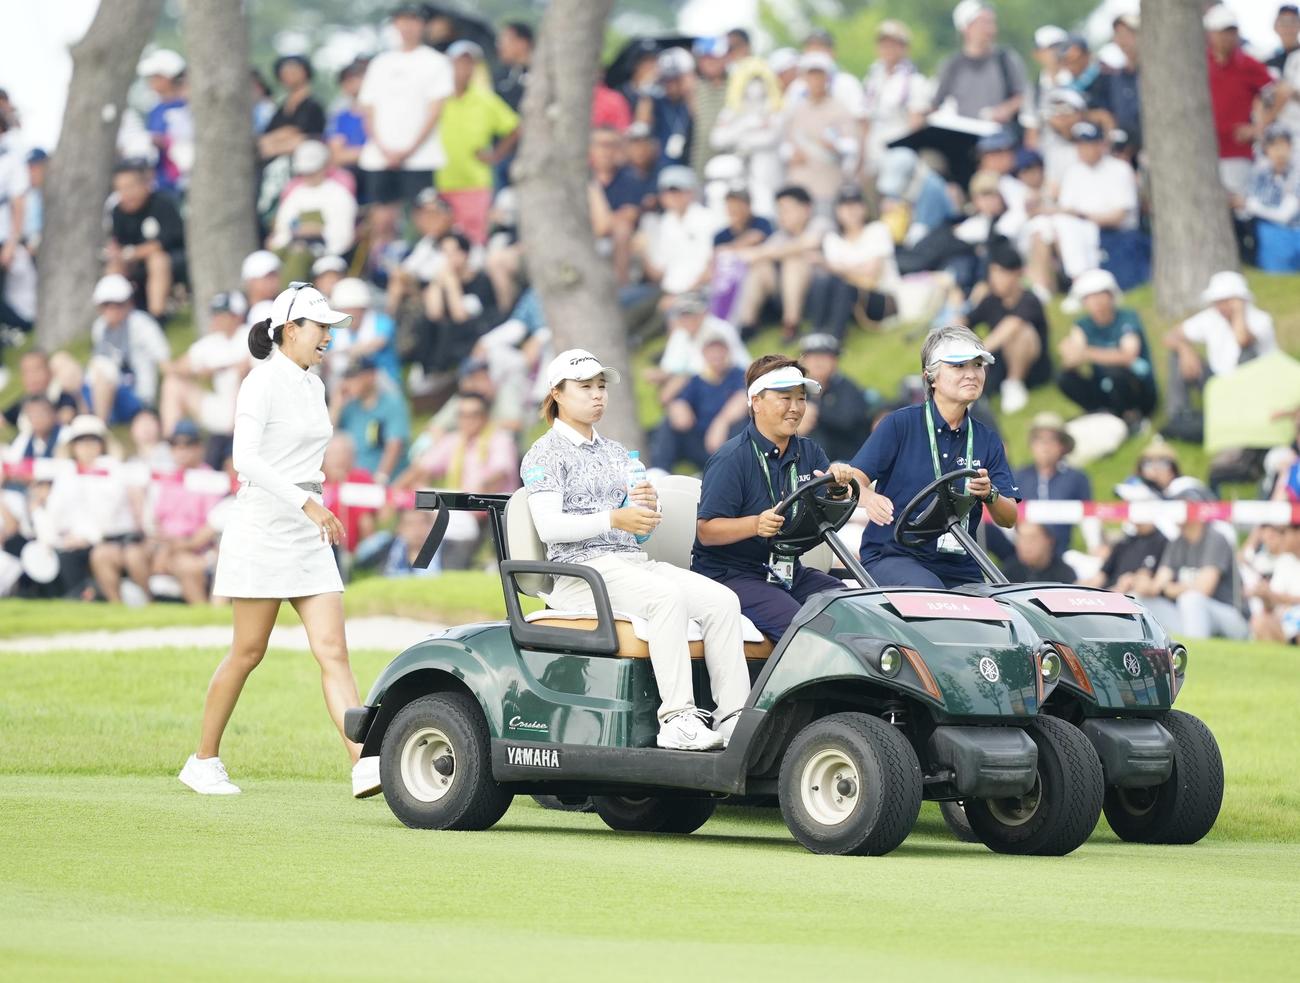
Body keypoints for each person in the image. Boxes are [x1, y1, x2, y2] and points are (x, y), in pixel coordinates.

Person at [183, 282, 378, 799]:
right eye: (321, 329)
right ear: (291, 329)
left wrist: (311, 504)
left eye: (331, 330)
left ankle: (362, 762)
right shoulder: (260, 382)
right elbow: (245, 459)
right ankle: (203, 761)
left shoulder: (314, 384)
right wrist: (307, 503)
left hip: (306, 528)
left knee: (333, 650)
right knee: (248, 651)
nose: (328, 338)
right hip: (263, 526)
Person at [521, 348, 750, 750]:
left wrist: (646, 511)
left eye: (601, 386)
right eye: (585, 387)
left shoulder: (616, 452)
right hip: (581, 573)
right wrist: (614, 517)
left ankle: (734, 718)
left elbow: (637, 533)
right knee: (665, 598)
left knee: (722, 601)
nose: (597, 395)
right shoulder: (544, 454)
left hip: (630, 563)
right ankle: (677, 718)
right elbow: (550, 526)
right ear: (556, 393)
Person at [692, 354, 854, 641]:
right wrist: (755, 524)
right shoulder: (731, 458)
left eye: (801, 398)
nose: (795, 408)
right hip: (731, 575)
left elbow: (824, 511)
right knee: (803, 630)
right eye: (785, 398)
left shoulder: (809, 451)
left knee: (853, 610)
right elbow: (706, 531)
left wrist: (838, 489)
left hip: (787, 570)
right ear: (756, 402)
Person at [849, 325, 1019, 588]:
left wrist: (990, 494)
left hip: (961, 564)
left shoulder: (987, 438)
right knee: (935, 597)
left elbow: (1009, 518)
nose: (972, 374)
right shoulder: (899, 424)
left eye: (977, 365)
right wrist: (870, 498)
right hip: (894, 556)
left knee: (1001, 610)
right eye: (958, 366)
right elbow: (852, 481)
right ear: (931, 378)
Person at [357, 3, 453, 204]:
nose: (408, 26)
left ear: (423, 24)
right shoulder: (380, 63)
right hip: (380, 157)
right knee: (381, 213)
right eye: (402, 20)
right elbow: (368, 109)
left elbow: (435, 111)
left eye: (413, 20)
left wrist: (409, 150)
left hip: (421, 157)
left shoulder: (437, 62)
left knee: (423, 211)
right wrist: (384, 149)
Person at [1164, 270, 1277, 429]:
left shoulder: (1261, 320)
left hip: (1254, 385)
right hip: (1218, 380)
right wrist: (1184, 349)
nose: (1219, 307)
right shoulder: (1210, 317)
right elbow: (1170, 336)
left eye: (1224, 301)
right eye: (1217, 302)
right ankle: (1178, 417)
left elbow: (1243, 340)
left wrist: (1239, 313)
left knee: (1247, 353)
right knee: (1177, 355)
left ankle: (1244, 413)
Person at [1204, 5, 1290, 214]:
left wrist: (1257, 128)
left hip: (1236, 153)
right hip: (1204, 152)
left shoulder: (1247, 64)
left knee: (1238, 211)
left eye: (1232, 31)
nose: (1227, 37)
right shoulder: (1200, 63)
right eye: (1222, 32)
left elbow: (1282, 91)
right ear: (1211, 34)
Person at [436, 41, 520, 245]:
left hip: (475, 182)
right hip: (440, 180)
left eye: (469, 64)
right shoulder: (438, 98)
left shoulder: (484, 99)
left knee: (474, 238)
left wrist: (496, 155)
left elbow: (515, 127)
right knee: (443, 239)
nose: (463, 69)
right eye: (459, 63)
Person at [1057, 269, 1157, 424]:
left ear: (1111, 295)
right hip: (1103, 385)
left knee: (1116, 372)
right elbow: (1072, 359)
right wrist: (1069, 353)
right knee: (1064, 378)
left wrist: (1086, 352)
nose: (1096, 301)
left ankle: (1132, 417)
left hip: (1137, 387)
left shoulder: (1127, 318)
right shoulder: (1082, 325)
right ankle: (1100, 412)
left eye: (1100, 295)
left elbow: (1128, 355)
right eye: (1089, 297)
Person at [964, 240, 1050, 413]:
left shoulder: (1030, 300)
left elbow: (1012, 325)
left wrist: (977, 353)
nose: (995, 280)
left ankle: (1014, 383)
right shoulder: (990, 300)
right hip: (998, 364)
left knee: (1021, 332)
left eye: (1000, 273)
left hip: (1033, 369)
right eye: (992, 273)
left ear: (1017, 274)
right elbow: (967, 320)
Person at [733, 185, 830, 339]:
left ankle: (791, 324)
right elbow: (760, 254)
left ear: (806, 209)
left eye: (786, 210)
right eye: (779, 210)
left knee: (793, 261)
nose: (782, 215)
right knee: (760, 267)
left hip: (821, 291)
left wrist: (759, 253)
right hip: (783, 294)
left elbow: (809, 243)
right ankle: (746, 325)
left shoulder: (820, 223)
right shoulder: (781, 235)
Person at [648, 328, 748, 473]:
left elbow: (742, 399)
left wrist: (721, 423)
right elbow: (678, 402)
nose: (716, 355)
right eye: (711, 351)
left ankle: (731, 471)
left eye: (719, 350)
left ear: (727, 351)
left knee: (740, 423)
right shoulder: (696, 380)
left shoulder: (739, 375)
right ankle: (658, 471)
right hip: (701, 442)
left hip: (729, 442)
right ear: (704, 353)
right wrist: (679, 408)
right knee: (668, 422)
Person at [807, 185, 899, 341]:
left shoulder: (877, 229)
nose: (851, 210)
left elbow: (871, 273)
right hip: (848, 300)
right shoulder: (833, 239)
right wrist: (851, 269)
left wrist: (833, 267)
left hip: (880, 298)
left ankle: (835, 338)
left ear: (864, 208)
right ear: (837, 211)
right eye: (845, 206)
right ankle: (817, 332)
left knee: (843, 285)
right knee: (822, 281)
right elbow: (834, 274)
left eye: (855, 204)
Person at [1139, 511, 1247, 640]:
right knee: (1141, 601)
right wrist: (1141, 581)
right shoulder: (1177, 542)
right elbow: (1157, 586)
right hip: (1191, 615)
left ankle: (1194, 648)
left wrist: (1171, 588)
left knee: (1191, 599)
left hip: (1229, 615)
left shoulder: (1215, 538)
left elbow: (1204, 589)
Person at [159, 290, 250, 442]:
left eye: (222, 314)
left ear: (237, 316)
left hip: (248, 409)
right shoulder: (212, 342)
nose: (216, 318)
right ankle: (172, 443)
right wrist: (197, 372)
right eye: (215, 313)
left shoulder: (249, 334)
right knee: (172, 384)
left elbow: (249, 368)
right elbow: (175, 367)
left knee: (243, 382)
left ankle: (239, 436)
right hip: (221, 408)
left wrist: (219, 368)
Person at [85, 274, 171, 424]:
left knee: (102, 373)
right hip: (104, 389)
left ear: (129, 303)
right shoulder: (99, 327)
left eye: (118, 304)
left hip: (135, 395)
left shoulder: (143, 324)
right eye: (106, 305)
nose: (112, 310)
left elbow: (164, 359)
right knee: (63, 364)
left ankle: (99, 427)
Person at [106, 160, 186, 320]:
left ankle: (157, 317)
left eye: (130, 187)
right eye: (120, 189)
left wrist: (133, 253)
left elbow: (167, 241)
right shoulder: (117, 212)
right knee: (113, 268)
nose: (126, 194)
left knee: (157, 260)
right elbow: (118, 242)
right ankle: (116, 317)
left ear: (145, 184)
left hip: (171, 260)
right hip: (133, 262)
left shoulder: (163, 203)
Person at [780, 53, 858, 213]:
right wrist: (791, 154)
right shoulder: (796, 110)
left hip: (827, 185)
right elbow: (785, 145)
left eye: (819, 76)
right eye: (811, 76)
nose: (815, 81)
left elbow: (852, 146)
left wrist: (835, 146)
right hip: (799, 185)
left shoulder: (839, 109)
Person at [931, 1, 1027, 132]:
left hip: (999, 136)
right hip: (963, 134)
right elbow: (936, 103)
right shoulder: (952, 65)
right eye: (984, 23)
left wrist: (1005, 110)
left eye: (992, 22)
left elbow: (1023, 96)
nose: (990, 29)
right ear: (966, 28)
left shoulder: (1005, 60)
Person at [1011, 413, 1093, 563]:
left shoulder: (1076, 478)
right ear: (1032, 445)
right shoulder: (1019, 477)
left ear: (1062, 446)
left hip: (1062, 555)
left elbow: (1089, 517)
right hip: (1022, 554)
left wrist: (1096, 545)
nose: (1045, 446)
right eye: (1039, 439)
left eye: (1052, 440)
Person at [267, 140, 358, 258]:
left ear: (324, 167)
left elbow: (343, 236)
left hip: (325, 253)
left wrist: (317, 231)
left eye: (312, 171)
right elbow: (282, 228)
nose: (308, 175)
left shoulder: (339, 193)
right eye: (305, 172)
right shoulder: (295, 194)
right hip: (293, 247)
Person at [861, 20, 930, 167]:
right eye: (884, 45)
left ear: (904, 48)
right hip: (873, 148)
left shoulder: (914, 81)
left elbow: (915, 124)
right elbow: (866, 120)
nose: (888, 49)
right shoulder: (872, 78)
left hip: (899, 149)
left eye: (893, 45)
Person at [332, 356, 409, 485]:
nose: (348, 382)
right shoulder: (349, 408)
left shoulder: (392, 403)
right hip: (353, 481)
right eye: (347, 377)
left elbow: (395, 445)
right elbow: (328, 441)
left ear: (371, 376)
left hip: (385, 482)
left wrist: (381, 478)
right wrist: (336, 406)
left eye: (354, 377)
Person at [796, 334, 869, 464]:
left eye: (823, 356)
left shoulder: (848, 388)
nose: (817, 361)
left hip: (850, 462)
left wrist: (816, 411)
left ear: (835, 360)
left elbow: (848, 421)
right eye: (812, 357)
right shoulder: (797, 391)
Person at [138, 49, 192, 193]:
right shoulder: (155, 109)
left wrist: (163, 141)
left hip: (181, 180)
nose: (152, 82)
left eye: (156, 77)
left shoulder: (186, 106)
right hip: (160, 180)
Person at [1247, 128, 1300, 271]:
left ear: (1290, 147)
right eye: (1274, 146)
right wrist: (1249, 205)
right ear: (1266, 149)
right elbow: (1247, 206)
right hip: (1272, 233)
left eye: (1283, 145)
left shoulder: (1297, 171)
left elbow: (1285, 215)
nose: (1279, 151)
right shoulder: (1260, 173)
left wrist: (1250, 205)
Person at [1001, 522, 1076, 584]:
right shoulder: (1007, 573)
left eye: (1032, 538)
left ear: (1049, 540)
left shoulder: (1064, 574)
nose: (1026, 544)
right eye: (1021, 538)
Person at [493, 21, 533, 112]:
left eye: (504, 41)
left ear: (522, 43)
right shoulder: (501, 75)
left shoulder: (540, 74)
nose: (499, 46)